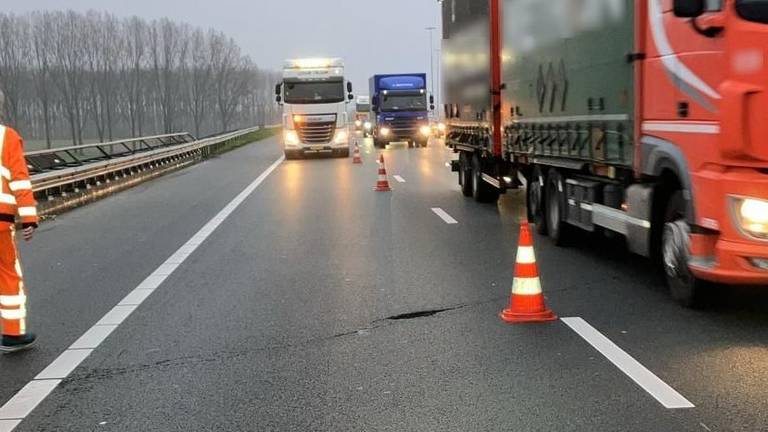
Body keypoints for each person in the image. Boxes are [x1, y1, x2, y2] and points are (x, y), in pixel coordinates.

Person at [0, 123, 38, 353]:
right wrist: (28, 218)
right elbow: (20, 179)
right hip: (0, 223)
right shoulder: (6, 136)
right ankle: (13, 334)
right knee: (8, 275)